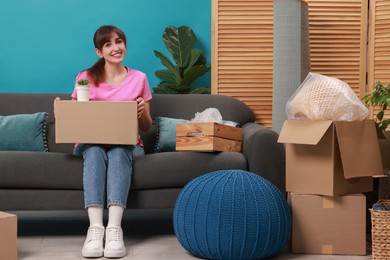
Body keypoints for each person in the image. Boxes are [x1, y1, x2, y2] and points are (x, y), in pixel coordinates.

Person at [55, 25, 152, 258]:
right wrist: (63, 114)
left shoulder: (139, 78)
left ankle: (115, 228)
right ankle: (96, 228)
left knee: (118, 151)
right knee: (97, 150)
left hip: (127, 145)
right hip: (91, 144)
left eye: (119, 42)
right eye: (108, 44)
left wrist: (141, 113)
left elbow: (147, 127)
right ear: (99, 51)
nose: (115, 48)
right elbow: (77, 121)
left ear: (125, 45)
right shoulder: (85, 78)